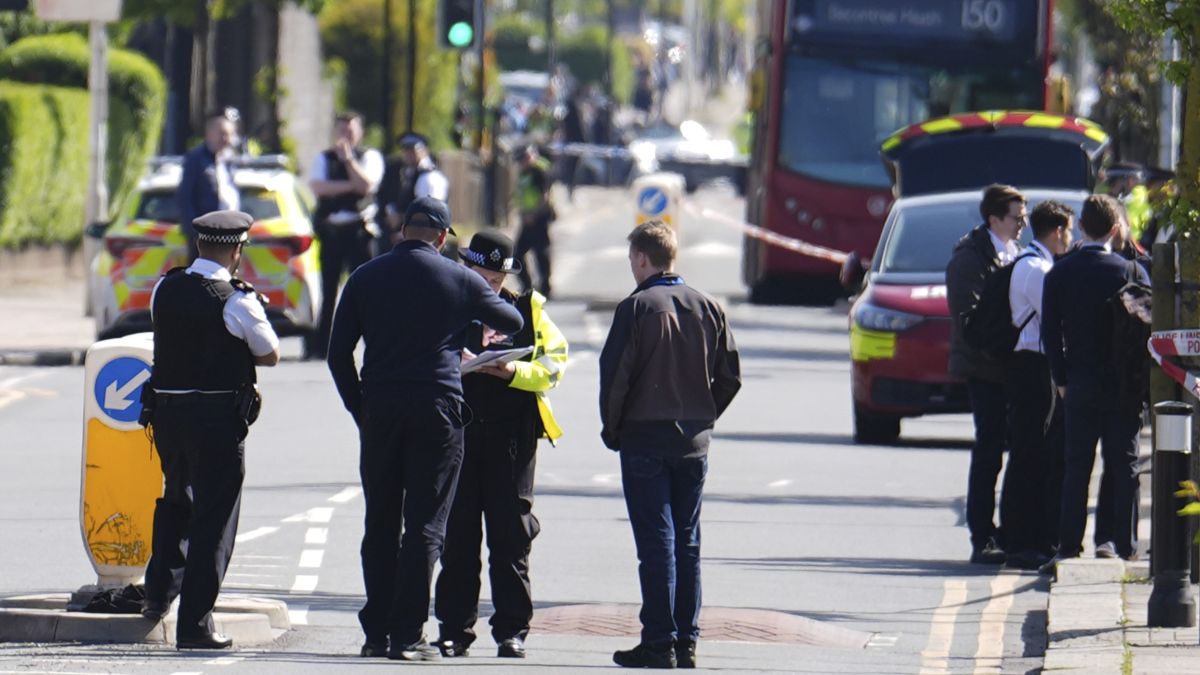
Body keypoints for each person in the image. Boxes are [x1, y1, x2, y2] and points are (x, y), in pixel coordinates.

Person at [325, 197, 524, 661]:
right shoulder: (459, 279)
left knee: (380, 521)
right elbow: (511, 320)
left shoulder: (365, 276)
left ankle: (376, 630)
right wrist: (474, 304)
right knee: (426, 526)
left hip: (381, 409)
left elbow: (338, 355)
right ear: (440, 237)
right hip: (437, 410)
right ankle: (408, 633)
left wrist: (360, 408)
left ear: (401, 231)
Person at [599, 221, 741, 669]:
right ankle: (687, 641)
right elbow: (730, 376)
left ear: (642, 259)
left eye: (631, 261)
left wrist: (613, 428)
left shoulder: (637, 307)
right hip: (693, 442)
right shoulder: (708, 306)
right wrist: (703, 414)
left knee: (657, 542)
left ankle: (659, 639)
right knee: (688, 540)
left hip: (644, 437)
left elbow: (615, 378)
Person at [140, 210, 281, 649]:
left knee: (176, 499)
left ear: (199, 244)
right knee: (213, 521)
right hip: (216, 423)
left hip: (167, 418)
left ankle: (157, 595)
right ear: (238, 250)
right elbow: (270, 352)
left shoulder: (165, 286)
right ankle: (195, 625)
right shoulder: (235, 299)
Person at [433, 230, 568, 660]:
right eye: (482, 275)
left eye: (496, 278)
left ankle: (512, 630)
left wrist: (512, 373)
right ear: (466, 267)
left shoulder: (528, 309)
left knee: (511, 538)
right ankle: (455, 629)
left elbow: (553, 365)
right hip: (459, 433)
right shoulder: (447, 305)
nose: (488, 284)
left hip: (513, 437)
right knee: (458, 537)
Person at [1040, 194, 1144, 573]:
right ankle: (1122, 543)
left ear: (1082, 227)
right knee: (1124, 465)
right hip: (1123, 386)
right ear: (1116, 229)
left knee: (1076, 466)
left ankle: (1069, 546)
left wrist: (1061, 379)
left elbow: (1049, 333)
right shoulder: (1131, 273)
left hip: (1080, 383)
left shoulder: (1060, 273)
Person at [945, 184, 1026, 565]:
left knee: (1015, 450)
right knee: (989, 449)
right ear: (994, 219)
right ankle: (981, 533)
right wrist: (1003, 347)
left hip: (1010, 367)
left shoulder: (1012, 251)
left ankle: (1009, 530)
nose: (1022, 223)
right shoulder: (970, 257)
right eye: (1016, 217)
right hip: (985, 367)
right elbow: (969, 322)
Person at [1002, 200, 1074, 570]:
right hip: (1030, 366)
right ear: (1058, 230)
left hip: (1037, 364)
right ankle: (1019, 540)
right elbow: (1056, 319)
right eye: (1069, 231)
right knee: (1029, 451)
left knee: (1038, 450)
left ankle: (1030, 536)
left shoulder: (1039, 264)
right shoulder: (1036, 269)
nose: (1071, 238)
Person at [307, 111, 385, 359]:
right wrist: (351, 186)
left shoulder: (369, 157)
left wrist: (349, 161)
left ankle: (373, 343)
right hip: (331, 232)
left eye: (350, 131)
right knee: (328, 290)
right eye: (342, 130)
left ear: (359, 132)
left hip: (360, 232)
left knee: (365, 290)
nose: (346, 135)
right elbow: (318, 187)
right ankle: (322, 345)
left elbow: (366, 185)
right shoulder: (323, 158)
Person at [178, 113, 240, 261]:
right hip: (206, 238)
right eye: (223, 134)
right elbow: (185, 197)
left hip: (227, 236)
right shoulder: (196, 160)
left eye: (230, 135)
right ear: (209, 134)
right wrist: (195, 233)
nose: (227, 139)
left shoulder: (227, 161)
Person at [377, 133, 449, 240]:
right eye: (405, 150)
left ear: (425, 150)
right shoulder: (401, 171)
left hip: (421, 238)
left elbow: (429, 212)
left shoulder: (430, 176)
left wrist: (401, 219)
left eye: (413, 150)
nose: (408, 154)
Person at [514, 145, 555, 297]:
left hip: (538, 218)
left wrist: (533, 214)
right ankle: (527, 285)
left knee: (540, 253)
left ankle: (545, 287)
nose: (523, 162)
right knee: (517, 254)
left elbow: (544, 196)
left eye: (525, 158)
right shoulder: (525, 172)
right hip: (527, 218)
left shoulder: (539, 171)